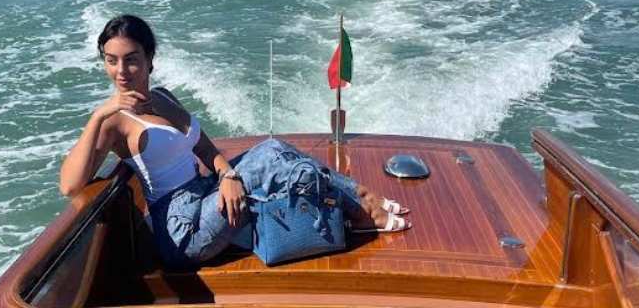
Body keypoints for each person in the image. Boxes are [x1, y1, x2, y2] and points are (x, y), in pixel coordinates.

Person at [60, 14, 411, 268]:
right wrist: (98, 115)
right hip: (183, 230)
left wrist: (228, 175)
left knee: (272, 148)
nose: (121, 71)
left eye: (131, 60)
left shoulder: (163, 97)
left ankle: (360, 197)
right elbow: (70, 185)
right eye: (112, 61)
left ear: (150, 60)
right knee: (268, 162)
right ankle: (362, 209)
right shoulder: (114, 122)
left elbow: (205, 148)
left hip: (206, 193)